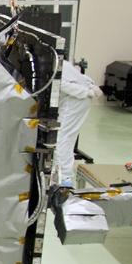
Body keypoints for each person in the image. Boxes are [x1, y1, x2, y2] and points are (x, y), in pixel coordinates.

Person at [57, 59, 103, 188]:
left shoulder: (52, 61)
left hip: (76, 101)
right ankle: (63, 176)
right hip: (77, 99)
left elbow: (63, 83)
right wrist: (90, 87)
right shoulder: (59, 61)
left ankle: (64, 179)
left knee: (62, 137)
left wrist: (87, 91)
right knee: (66, 137)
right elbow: (78, 76)